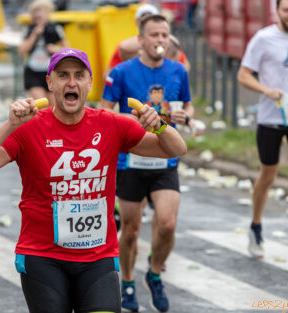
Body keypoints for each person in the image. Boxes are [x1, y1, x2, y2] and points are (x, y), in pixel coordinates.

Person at [0, 48, 187, 313]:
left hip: (97, 257)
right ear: (50, 83)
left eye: (79, 75)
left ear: (89, 83)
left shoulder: (111, 124)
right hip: (43, 256)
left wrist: (159, 125)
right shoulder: (29, 127)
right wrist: (9, 125)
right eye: (63, 75)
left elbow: (175, 149)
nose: (71, 82)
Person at [101, 14, 194, 313]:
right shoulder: (122, 72)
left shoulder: (178, 70)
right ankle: (127, 281)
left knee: (167, 224)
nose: (160, 41)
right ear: (141, 39)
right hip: (131, 160)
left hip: (165, 159)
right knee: (129, 230)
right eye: (154, 35)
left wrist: (185, 117)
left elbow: (187, 106)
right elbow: (105, 111)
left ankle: (154, 273)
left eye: (165, 36)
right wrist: (128, 119)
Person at [238, 0, 288, 261]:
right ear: (277, 11)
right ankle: (255, 225)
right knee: (268, 176)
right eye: (286, 10)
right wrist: (266, 90)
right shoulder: (263, 38)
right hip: (271, 118)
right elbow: (243, 75)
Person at [104, 4, 190, 80]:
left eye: (150, 19)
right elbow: (107, 75)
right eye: (143, 20)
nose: (147, 24)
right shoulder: (126, 46)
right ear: (136, 22)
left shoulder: (167, 43)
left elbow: (185, 67)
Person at [18, 0, 68, 102]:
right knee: (41, 102)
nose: (39, 16)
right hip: (33, 71)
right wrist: (34, 35)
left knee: (53, 105)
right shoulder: (29, 29)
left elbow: (68, 50)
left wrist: (56, 49)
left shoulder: (55, 28)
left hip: (51, 72)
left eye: (42, 13)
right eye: (36, 14)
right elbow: (22, 51)